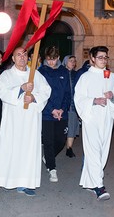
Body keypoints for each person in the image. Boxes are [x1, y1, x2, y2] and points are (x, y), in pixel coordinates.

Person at [0, 47, 51, 196]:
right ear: (13, 58)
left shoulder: (35, 74)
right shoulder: (6, 75)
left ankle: (26, 183)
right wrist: (21, 89)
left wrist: (34, 98)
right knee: (13, 148)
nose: (22, 57)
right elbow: (2, 92)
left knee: (29, 150)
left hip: (31, 120)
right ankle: (9, 179)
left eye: (25, 54)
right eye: (19, 55)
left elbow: (46, 90)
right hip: (13, 120)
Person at [74, 46, 114, 200]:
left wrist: (113, 96)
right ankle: (99, 186)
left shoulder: (111, 76)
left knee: (102, 151)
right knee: (93, 150)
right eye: (100, 57)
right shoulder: (85, 77)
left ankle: (90, 182)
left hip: (107, 117)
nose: (103, 60)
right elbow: (79, 98)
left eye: (105, 57)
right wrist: (94, 101)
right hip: (91, 118)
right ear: (93, 58)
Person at [38, 46, 71, 182]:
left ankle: (48, 156)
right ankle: (52, 169)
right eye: (49, 59)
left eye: (54, 59)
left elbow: (68, 94)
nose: (51, 62)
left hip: (61, 113)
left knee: (61, 141)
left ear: (58, 58)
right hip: (47, 113)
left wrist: (62, 109)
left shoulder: (64, 71)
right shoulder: (41, 71)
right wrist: (52, 109)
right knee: (48, 141)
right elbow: (40, 94)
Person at [62, 55, 79, 158]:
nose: (73, 63)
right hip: (63, 106)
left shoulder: (76, 74)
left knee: (72, 127)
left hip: (73, 105)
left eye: (74, 61)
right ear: (65, 62)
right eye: (70, 61)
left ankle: (69, 148)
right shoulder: (61, 73)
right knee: (63, 128)